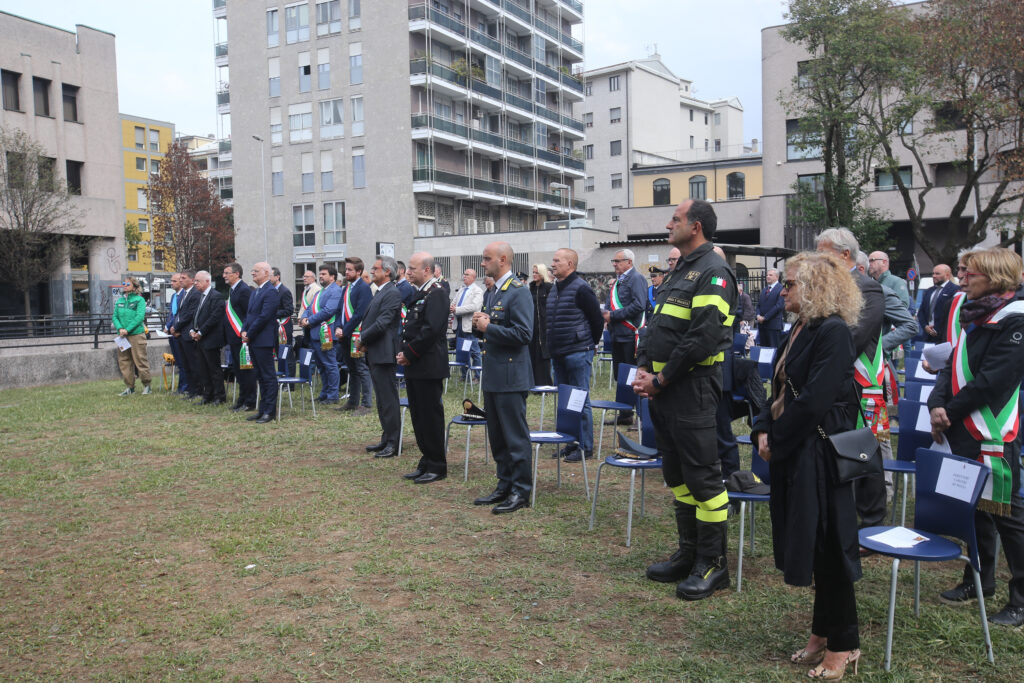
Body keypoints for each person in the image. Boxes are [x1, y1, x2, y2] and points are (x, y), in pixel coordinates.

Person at [751, 251, 865, 680]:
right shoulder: (799, 327)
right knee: (813, 543)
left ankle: (845, 643)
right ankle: (821, 632)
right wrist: (762, 428)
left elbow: (814, 401)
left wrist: (776, 440)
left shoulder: (833, 331)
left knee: (830, 547)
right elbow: (777, 385)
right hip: (795, 449)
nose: (782, 291)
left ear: (815, 288)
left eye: (790, 284)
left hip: (819, 453)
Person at [633, 199, 737, 601]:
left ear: (695, 226)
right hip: (663, 387)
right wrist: (644, 368)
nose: (667, 223)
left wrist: (659, 379)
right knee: (677, 475)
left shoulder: (714, 270)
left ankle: (713, 564)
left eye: (674, 219)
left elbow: (703, 337)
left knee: (704, 477)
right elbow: (657, 322)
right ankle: (689, 553)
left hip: (690, 387)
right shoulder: (683, 267)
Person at [930, 248, 1024, 628]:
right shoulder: (974, 315)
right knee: (977, 508)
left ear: (996, 278)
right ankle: (978, 581)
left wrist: (947, 412)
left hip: (992, 432)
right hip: (961, 427)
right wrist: (937, 403)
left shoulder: (1014, 320)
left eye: (971, 273)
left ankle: (1020, 599)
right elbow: (952, 366)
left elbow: (992, 381)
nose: (963, 278)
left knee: (1008, 516)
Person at [816, 229, 888, 532]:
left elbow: (854, 337)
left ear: (845, 254)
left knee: (864, 453)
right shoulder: (824, 287)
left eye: (824, 252)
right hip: (833, 383)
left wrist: (818, 355)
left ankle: (871, 521)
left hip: (859, 383)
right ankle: (838, 513)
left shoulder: (868, 289)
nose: (818, 258)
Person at [473, 241, 534, 514]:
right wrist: (480, 326)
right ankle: (504, 483)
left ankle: (521, 490)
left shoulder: (518, 292)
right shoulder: (493, 291)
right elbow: (491, 330)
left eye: (487, 259)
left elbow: (524, 335)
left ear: (504, 259)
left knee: (514, 436)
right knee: (497, 435)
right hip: (494, 374)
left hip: (511, 375)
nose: (483, 264)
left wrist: (489, 327)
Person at [547, 248, 605, 462]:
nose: (553, 264)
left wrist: (588, 344)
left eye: (557, 260)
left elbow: (597, 320)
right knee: (566, 401)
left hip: (578, 352)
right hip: (559, 353)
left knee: (580, 399)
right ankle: (570, 442)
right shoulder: (555, 288)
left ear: (570, 264)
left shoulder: (581, 288)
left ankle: (585, 446)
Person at [398, 252, 450, 484]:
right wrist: (404, 352)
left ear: (426, 270)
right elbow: (411, 327)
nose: (408, 272)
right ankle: (426, 459)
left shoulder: (437, 293)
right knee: (418, 416)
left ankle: (437, 464)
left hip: (428, 364)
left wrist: (409, 353)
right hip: (416, 364)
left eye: (412, 268)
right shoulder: (422, 293)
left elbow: (430, 330)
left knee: (430, 416)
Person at [358, 256, 404, 459]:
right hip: (376, 350)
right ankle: (387, 437)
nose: (372, 271)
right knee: (382, 400)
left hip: (384, 352)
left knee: (389, 399)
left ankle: (394, 442)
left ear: (387, 271)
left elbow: (383, 322)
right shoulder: (380, 291)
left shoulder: (392, 292)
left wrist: (362, 338)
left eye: (375, 268)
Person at [603, 248, 647, 425]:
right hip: (617, 335)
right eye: (614, 261)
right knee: (621, 377)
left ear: (629, 262)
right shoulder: (619, 281)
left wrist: (613, 316)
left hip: (629, 335)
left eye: (618, 261)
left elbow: (638, 305)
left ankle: (639, 415)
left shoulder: (636, 278)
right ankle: (624, 413)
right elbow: (610, 302)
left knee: (633, 376)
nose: (615, 264)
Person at [240, 262, 281, 424]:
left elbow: (264, 317)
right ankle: (262, 409)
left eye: (256, 271)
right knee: (260, 376)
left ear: (266, 273)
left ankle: (269, 411)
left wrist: (249, 333)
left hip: (262, 340)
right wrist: (244, 330)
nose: (252, 273)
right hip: (253, 339)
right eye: (252, 270)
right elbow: (249, 315)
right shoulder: (257, 291)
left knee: (268, 376)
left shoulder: (271, 292)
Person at [335, 257, 373, 414]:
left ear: (359, 271)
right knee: (352, 369)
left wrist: (345, 330)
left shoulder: (363, 288)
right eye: (346, 269)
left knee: (361, 368)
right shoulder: (346, 288)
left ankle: (366, 404)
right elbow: (339, 310)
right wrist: (338, 326)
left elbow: (360, 313)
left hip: (356, 334)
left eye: (350, 269)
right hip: (344, 335)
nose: (346, 272)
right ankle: (352, 401)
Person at [301, 265, 343, 404]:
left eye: (324, 274)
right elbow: (309, 308)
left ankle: (332, 395)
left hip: (326, 334)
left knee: (330, 365)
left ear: (332, 276)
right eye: (320, 274)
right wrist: (304, 318)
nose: (321, 276)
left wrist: (309, 321)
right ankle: (325, 393)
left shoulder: (336, 290)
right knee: (321, 366)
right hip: (315, 333)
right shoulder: (320, 292)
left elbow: (328, 311)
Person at [188, 270, 226, 405]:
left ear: (207, 281)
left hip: (211, 339)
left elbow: (214, 317)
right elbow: (196, 316)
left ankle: (219, 396)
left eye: (198, 281)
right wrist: (193, 329)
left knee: (214, 369)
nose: (195, 283)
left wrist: (201, 332)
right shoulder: (200, 296)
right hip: (199, 339)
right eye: (195, 281)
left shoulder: (216, 296)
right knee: (202, 369)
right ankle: (207, 395)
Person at [222, 263, 257, 412]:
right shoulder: (233, 290)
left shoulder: (243, 290)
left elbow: (250, 314)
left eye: (227, 272)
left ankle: (249, 401)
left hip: (242, 338)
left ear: (237, 274)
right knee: (238, 370)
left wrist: (246, 332)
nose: (224, 275)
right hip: (234, 338)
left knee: (246, 371)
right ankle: (242, 399)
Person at [112, 277, 152, 396]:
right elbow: (115, 317)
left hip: (136, 335)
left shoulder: (139, 300)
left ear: (134, 286)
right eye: (123, 283)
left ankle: (147, 385)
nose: (124, 285)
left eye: (127, 284)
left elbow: (139, 317)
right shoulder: (120, 301)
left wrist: (127, 329)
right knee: (124, 361)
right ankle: (130, 387)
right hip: (122, 336)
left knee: (140, 360)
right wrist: (120, 328)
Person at [170, 270, 200, 399]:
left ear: (191, 280)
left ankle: (197, 390)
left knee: (193, 365)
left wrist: (176, 327)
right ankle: (190, 390)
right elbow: (178, 313)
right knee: (185, 364)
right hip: (180, 334)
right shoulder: (182, 294)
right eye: (180, 278)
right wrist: (173, 328)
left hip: (188, 333)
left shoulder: (195, 294)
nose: (181, 280)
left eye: (183, 278)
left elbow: (189, 315)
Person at [450, 267, 483, 379]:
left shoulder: (477, 290)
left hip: (469, 325)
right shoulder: (461, 289)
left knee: (474, 351)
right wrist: (452, 308)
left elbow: (474, 306)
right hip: (458, 324)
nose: (464, 276)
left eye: (467, 274)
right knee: (462, 350)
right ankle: (465, 375)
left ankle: (478, 376)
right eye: (464, 274)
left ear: (473, 278)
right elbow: (454, 302)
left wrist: (457, 309)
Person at [917, 264, 958, 342]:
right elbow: (921, 312)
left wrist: (938, 329)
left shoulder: (955, 290)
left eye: (937, 274)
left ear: (947, 275)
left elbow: (953, 314)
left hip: (945, 337)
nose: (934, 276)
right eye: (933, 273)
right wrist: (925, 326)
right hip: (928, 336)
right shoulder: (928, 291)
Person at [164, 273, 190, 394]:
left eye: (174, 281)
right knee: (179, 362)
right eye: (171, 281)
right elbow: (172, 313)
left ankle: (185, 387)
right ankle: (181, 386)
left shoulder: (184, 295)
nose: (172, 283)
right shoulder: (174, 296)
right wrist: (167, 326)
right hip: (172, 333)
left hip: (180, 332)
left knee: (184, 362)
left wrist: (176, 327)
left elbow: (182, 315)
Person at [529, 263, 554, 386]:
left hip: (545, 326)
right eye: (533, 272)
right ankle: (534, 383)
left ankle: (546, 383)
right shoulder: (531, 288)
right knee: (533, 353)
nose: (534, 275)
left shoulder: (549, 287)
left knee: (544, 355)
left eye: (536, 272)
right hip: (533, 326)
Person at [270, 267, 295, 377]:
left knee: (287, 354)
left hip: (283, 327)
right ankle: (282, 377)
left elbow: (289, 310)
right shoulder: (271, 290)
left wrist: (272, 312)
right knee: (279, 354)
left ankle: (290, 381)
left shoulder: (285, 291)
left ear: (277, 276)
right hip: (274, 327)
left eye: (270, 276)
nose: (268, 279)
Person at [756, 269, 785, 348]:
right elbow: (759, 305)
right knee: (764, 350)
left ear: (777, 277)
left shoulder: (781, 289)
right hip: (762, 326)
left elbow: (778, 306)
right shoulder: (765, 289)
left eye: (770, 275)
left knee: (773, 350)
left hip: (773, 326)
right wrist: (758, 315)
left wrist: (765, 317)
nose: (767, 277)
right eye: (767, 275)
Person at [297, 269, 321, 349]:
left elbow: (314, 306)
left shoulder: (317, 289)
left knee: (311, 343)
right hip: (304, 319)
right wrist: (300, 317)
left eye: (307, 277)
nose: (304, 278)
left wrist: (307, 319)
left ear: (313, 278)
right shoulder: (306, 289)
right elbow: (303, 306)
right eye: (304, 276)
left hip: (310, 320)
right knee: (307, 342)